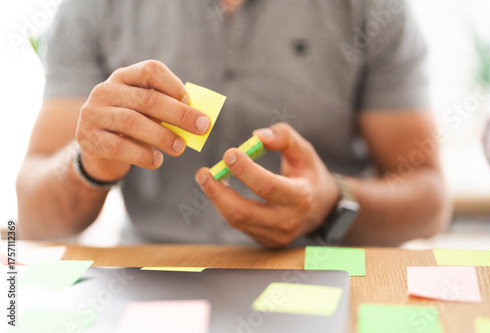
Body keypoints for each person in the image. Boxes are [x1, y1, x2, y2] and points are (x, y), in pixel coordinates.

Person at [16, 0, 452, 248]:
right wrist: (89, 162)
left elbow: (430, 200)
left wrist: (331, 202)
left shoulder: (372, 8)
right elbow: (33, 220)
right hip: (155, 276)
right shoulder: (93, 8)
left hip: (321, 266)